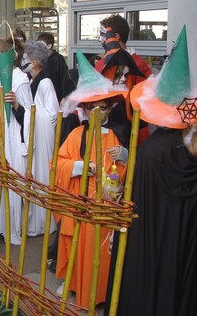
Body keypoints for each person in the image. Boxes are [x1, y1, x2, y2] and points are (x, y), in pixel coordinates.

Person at [112, 26, 197, 315]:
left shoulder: (149, 154)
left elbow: (135, 209)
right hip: (187, 252)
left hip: (151, 250)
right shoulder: (190, 150)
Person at [55, 50, 129, 308]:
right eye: (94, 107)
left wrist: (125, 157)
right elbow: (58, 165)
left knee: (102, 252)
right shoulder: (77, 134)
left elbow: (127, 171)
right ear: (85, 108)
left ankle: (102, 292)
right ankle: (78, 285)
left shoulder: (118, 133)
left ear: (110, 108)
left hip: (108, 203)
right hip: (81, 202)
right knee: (80, 248)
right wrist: (80, 166)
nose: (99, 112)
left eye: (104, 107)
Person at [0, 35, 34, 245]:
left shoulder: (21, 81)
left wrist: (15, 105)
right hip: (1, 138)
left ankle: (14, 226)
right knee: (2, 179)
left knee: (13, 179)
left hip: (15, 139)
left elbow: (30, 116)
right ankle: (1, 224)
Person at [20, 40, 59, 236]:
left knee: (42, 174)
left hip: (43, 137)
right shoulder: (32, 81)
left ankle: (43, 221)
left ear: (34, 62)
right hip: (34, 133)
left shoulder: (45, 82)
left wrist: (29, 112)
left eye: (25, 59)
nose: (22, 62)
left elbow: (53, 113)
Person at [37, 32, 69, 102]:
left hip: (56, 96)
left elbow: (64, 79)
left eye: (41, 45)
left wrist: (64, 97)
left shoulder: (58, 59)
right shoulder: (39, 59)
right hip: (42, 96)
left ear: (49, 46)